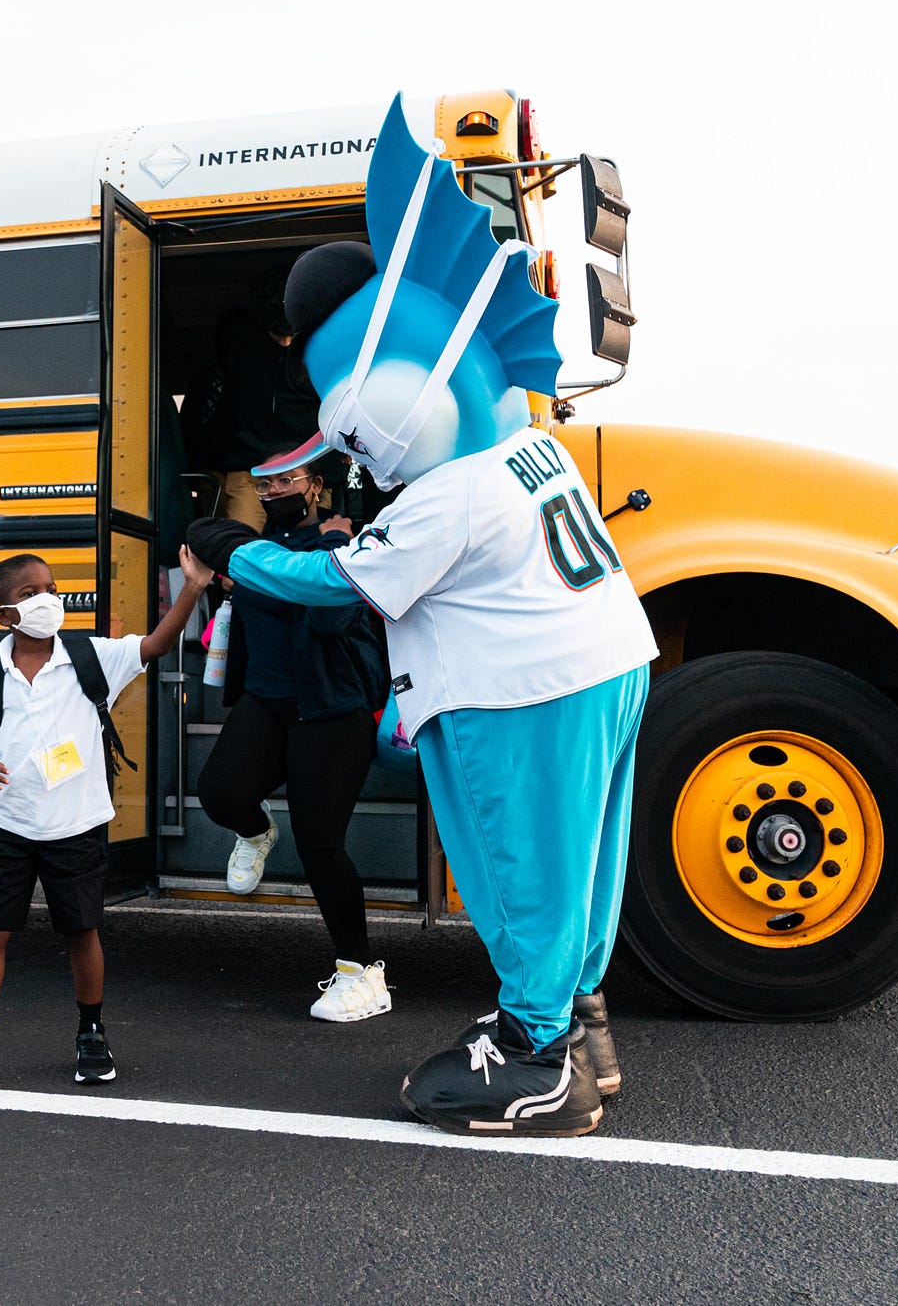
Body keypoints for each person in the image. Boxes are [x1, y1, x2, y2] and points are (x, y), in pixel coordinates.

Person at [185, 95, 655, 1137]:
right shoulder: (526, 452)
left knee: (522, 861)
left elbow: (332, 583)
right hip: (607, 659)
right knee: (584, 863)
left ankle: (534, 1057)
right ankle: (582, 1028)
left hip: (523, 682)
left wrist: (232, 550)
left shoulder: (449, 490)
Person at [0, 548, 211, 1090]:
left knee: (82, 931)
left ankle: (92, 1034)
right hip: (10, 824)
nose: (46, 600)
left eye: (50, 588)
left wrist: (192, 589)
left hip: (76, 824)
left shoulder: (89, 657)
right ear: (3, 614)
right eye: (29, 594)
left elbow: (154, 645)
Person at [196, 434, 392, 1022]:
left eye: (285, 480)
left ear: (315, 487)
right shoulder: (258, 550)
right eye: (264, 484)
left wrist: (336, 545)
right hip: (268, 702)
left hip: (332, 710)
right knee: (221, 793)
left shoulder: (354, 544)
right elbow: (210, 551)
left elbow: (333, 618)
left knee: (321, 844)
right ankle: (257, 834)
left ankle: (361, 974)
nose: (273, 491)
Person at [182, 306, 321, 530]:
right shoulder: (226, 378)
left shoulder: (312, 365)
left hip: (300, 468)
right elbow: (197, 433)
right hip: (251, 469)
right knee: (242, 547)